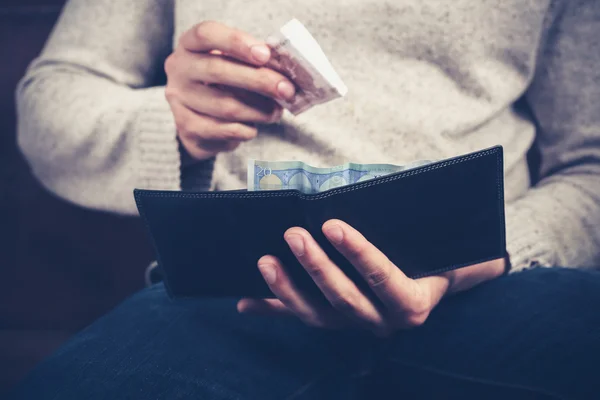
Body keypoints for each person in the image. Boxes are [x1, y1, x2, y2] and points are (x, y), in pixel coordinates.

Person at [9, 0, 600, 398]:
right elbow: (50, 104)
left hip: (492, 287)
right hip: (231, 294)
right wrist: (177, 121)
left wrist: (488, 256)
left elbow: (590, 170)